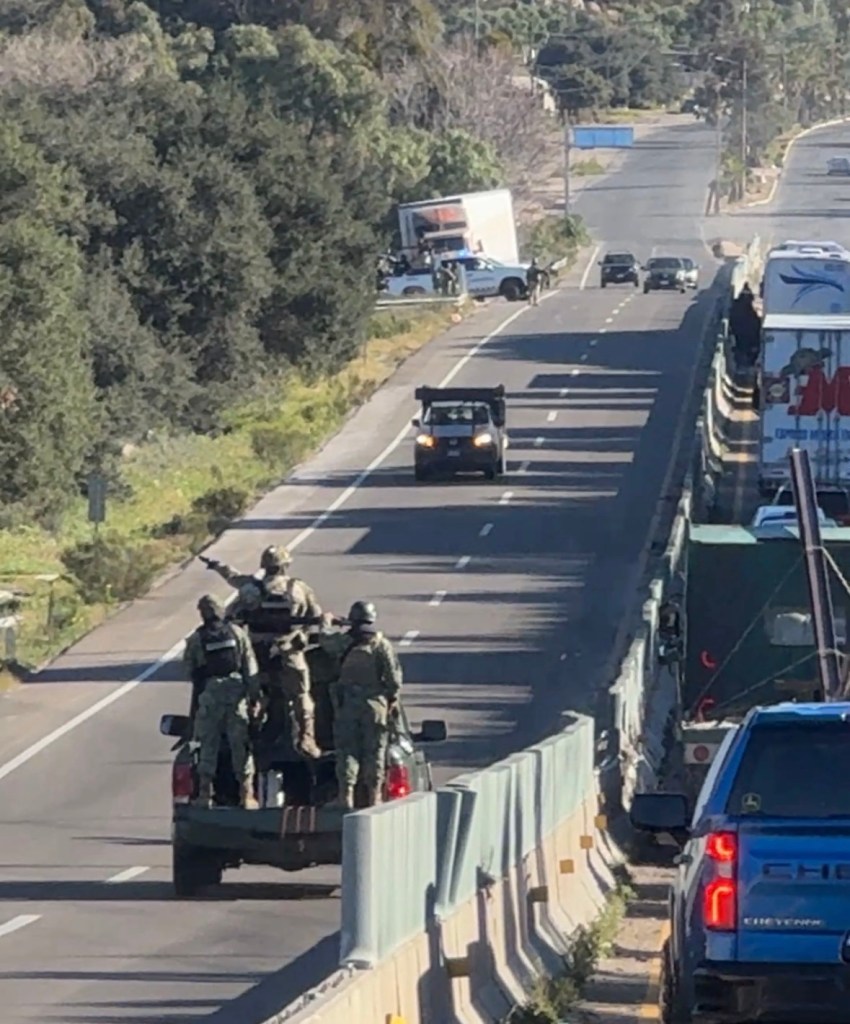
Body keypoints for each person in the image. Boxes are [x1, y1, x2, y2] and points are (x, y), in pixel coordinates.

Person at [207, 546, 324, 758]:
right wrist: (305, 635)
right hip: (289, 649)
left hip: (257, 652)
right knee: (301, 693)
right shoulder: (299, 588)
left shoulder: (249, 589)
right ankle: (307, 737)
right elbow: (316, 615)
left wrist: (217, 566)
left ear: (264, 565)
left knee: (252, 693)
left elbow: (232, 608)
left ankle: (251, 732)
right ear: (285, 565)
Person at [318, 601, 403, 808]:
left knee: (347, 751)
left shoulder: (343, 642)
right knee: (375, 751)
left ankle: (345, 796)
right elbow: (394, 681)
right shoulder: (381, 644)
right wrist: (390, 700)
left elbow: (325, 641)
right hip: (375, 706)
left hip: (347, 704)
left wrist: (325, 622)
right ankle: (374, 796)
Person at [184, 594, 260, 809]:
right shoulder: (237, 633)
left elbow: (188, 671)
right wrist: (254, 697)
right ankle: (246, 794)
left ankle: (205, 794)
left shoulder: (196, 638)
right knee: (240, 745)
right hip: (236, 696)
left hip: (210, 696)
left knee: (208, 745)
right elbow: (250, 667)